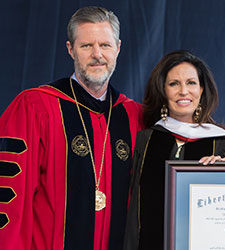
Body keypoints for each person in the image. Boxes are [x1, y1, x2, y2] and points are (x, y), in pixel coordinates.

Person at [0, 6, 144, 250]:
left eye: (105, 45)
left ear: (118, 48)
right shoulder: (36, 107)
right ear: (71, 50)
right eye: (86, 46)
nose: (97, 54)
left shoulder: (134, 116)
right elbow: (10, 199)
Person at [123, 50, 225, 249]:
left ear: (202, 89)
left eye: (191, 83)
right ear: (163, 90)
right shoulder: (144, 140)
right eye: (174, 84)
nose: (183, 91)